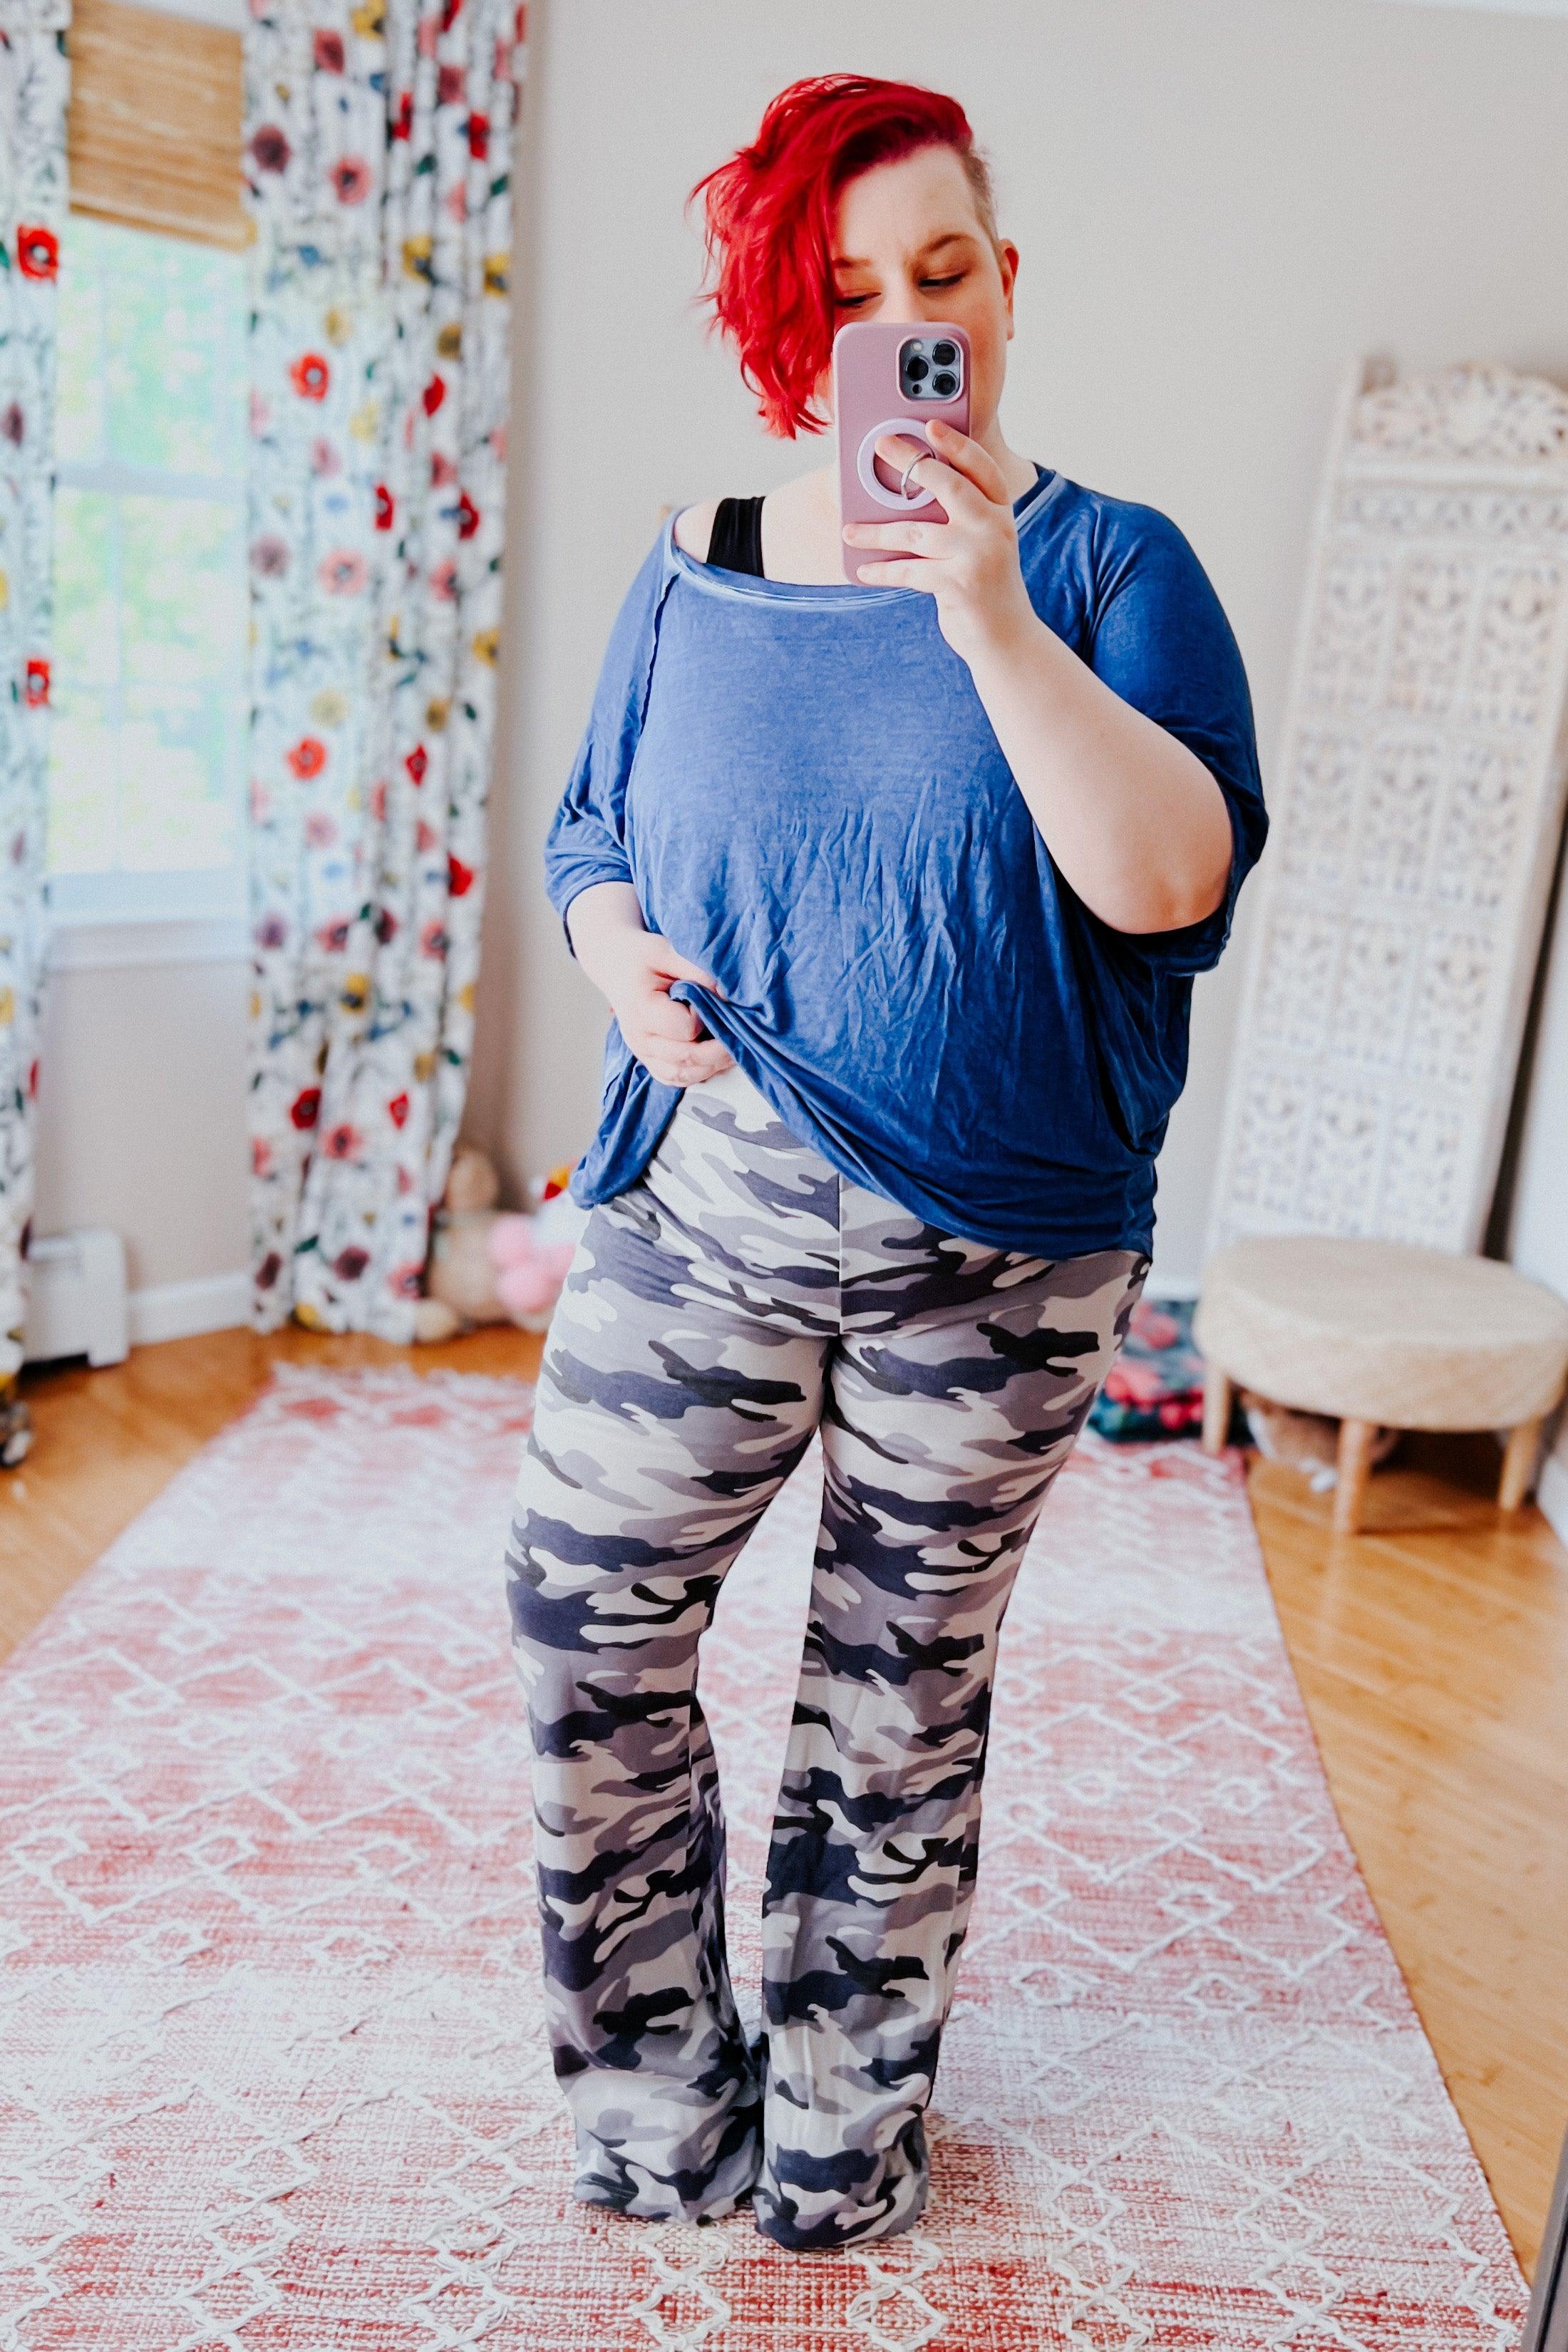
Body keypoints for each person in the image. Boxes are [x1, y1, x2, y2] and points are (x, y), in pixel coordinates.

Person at [503, 72, 1267, 2254]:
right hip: (705, 1218)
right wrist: (616, 953)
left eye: (944, 274)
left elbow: (1173, 880)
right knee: (577, 1613)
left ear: (1006, 285)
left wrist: (989, 615)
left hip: (1002, 1259)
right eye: (851, 294)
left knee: (892, 1703)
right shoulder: (700, 557)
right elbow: (590, 828)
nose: (908, 324)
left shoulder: (1111, 567)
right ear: (793, 323)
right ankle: (659, 2106)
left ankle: (845, 2141)